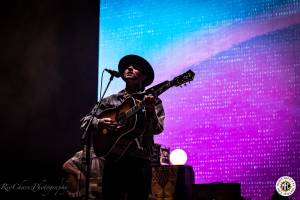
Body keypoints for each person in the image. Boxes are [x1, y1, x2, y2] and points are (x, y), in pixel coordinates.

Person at [80, 54, 165, 200]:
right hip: (113, 161)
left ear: (144, 77)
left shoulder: (153, 100)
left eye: (135, 67)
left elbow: (157, 129)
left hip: (140, 162)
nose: (130, 68)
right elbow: (85, 121)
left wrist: (150, 110)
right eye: (127, 67)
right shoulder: (110, 100)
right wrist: (99, 122)